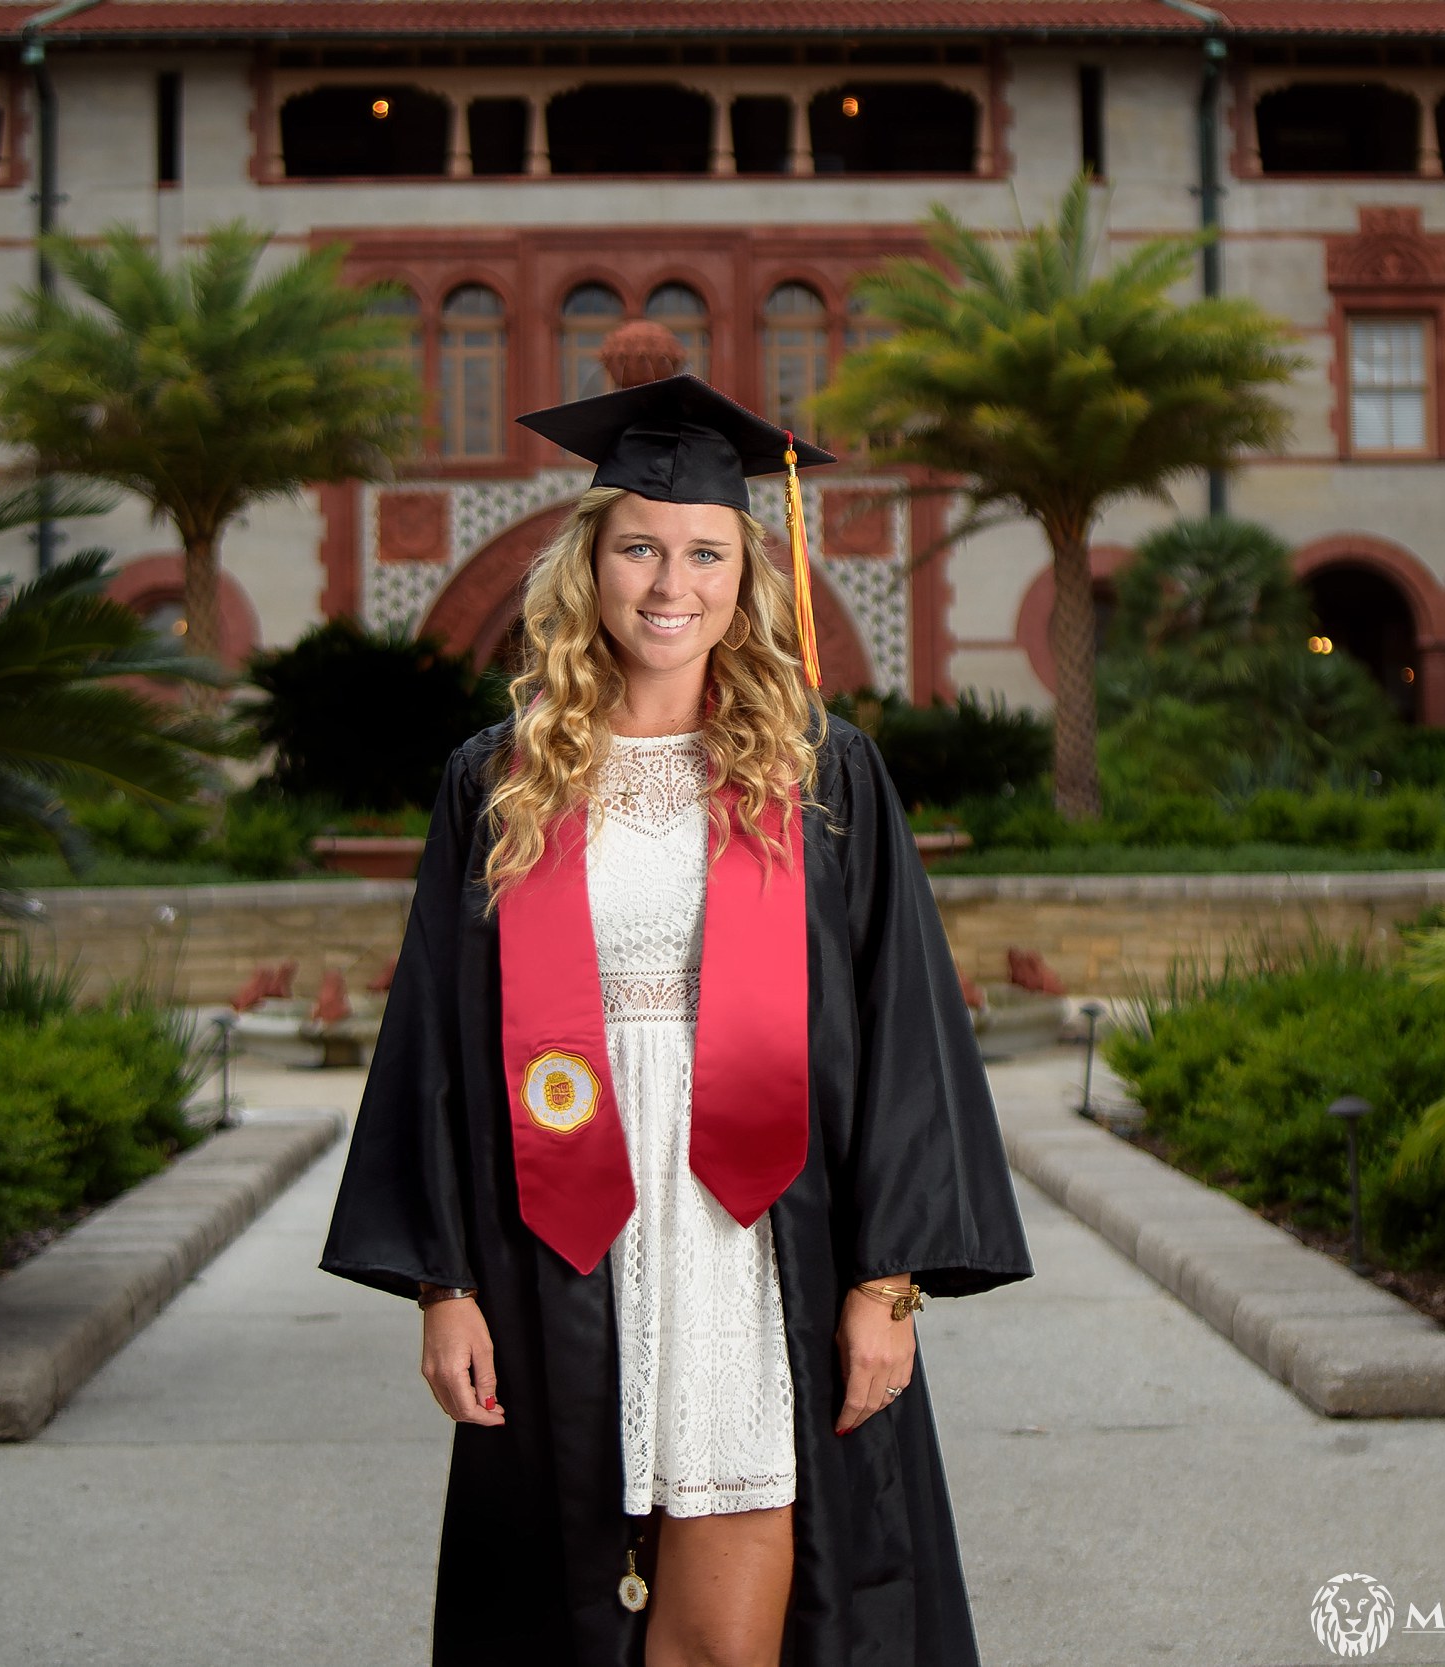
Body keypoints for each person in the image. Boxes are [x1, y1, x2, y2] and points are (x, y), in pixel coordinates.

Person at [321, 374, 1032, 1667]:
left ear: (745, 573)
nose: (670, 583)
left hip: (756, 1238)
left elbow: (902, 1030)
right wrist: (441, 1283)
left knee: (734, 1609)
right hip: (555, 1226)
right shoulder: (496, 781)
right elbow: (429, 1035)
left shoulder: (822, 774)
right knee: (563, 1596)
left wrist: (888, 1285)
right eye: (639, 546)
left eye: (705, 552)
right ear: (587, 564)